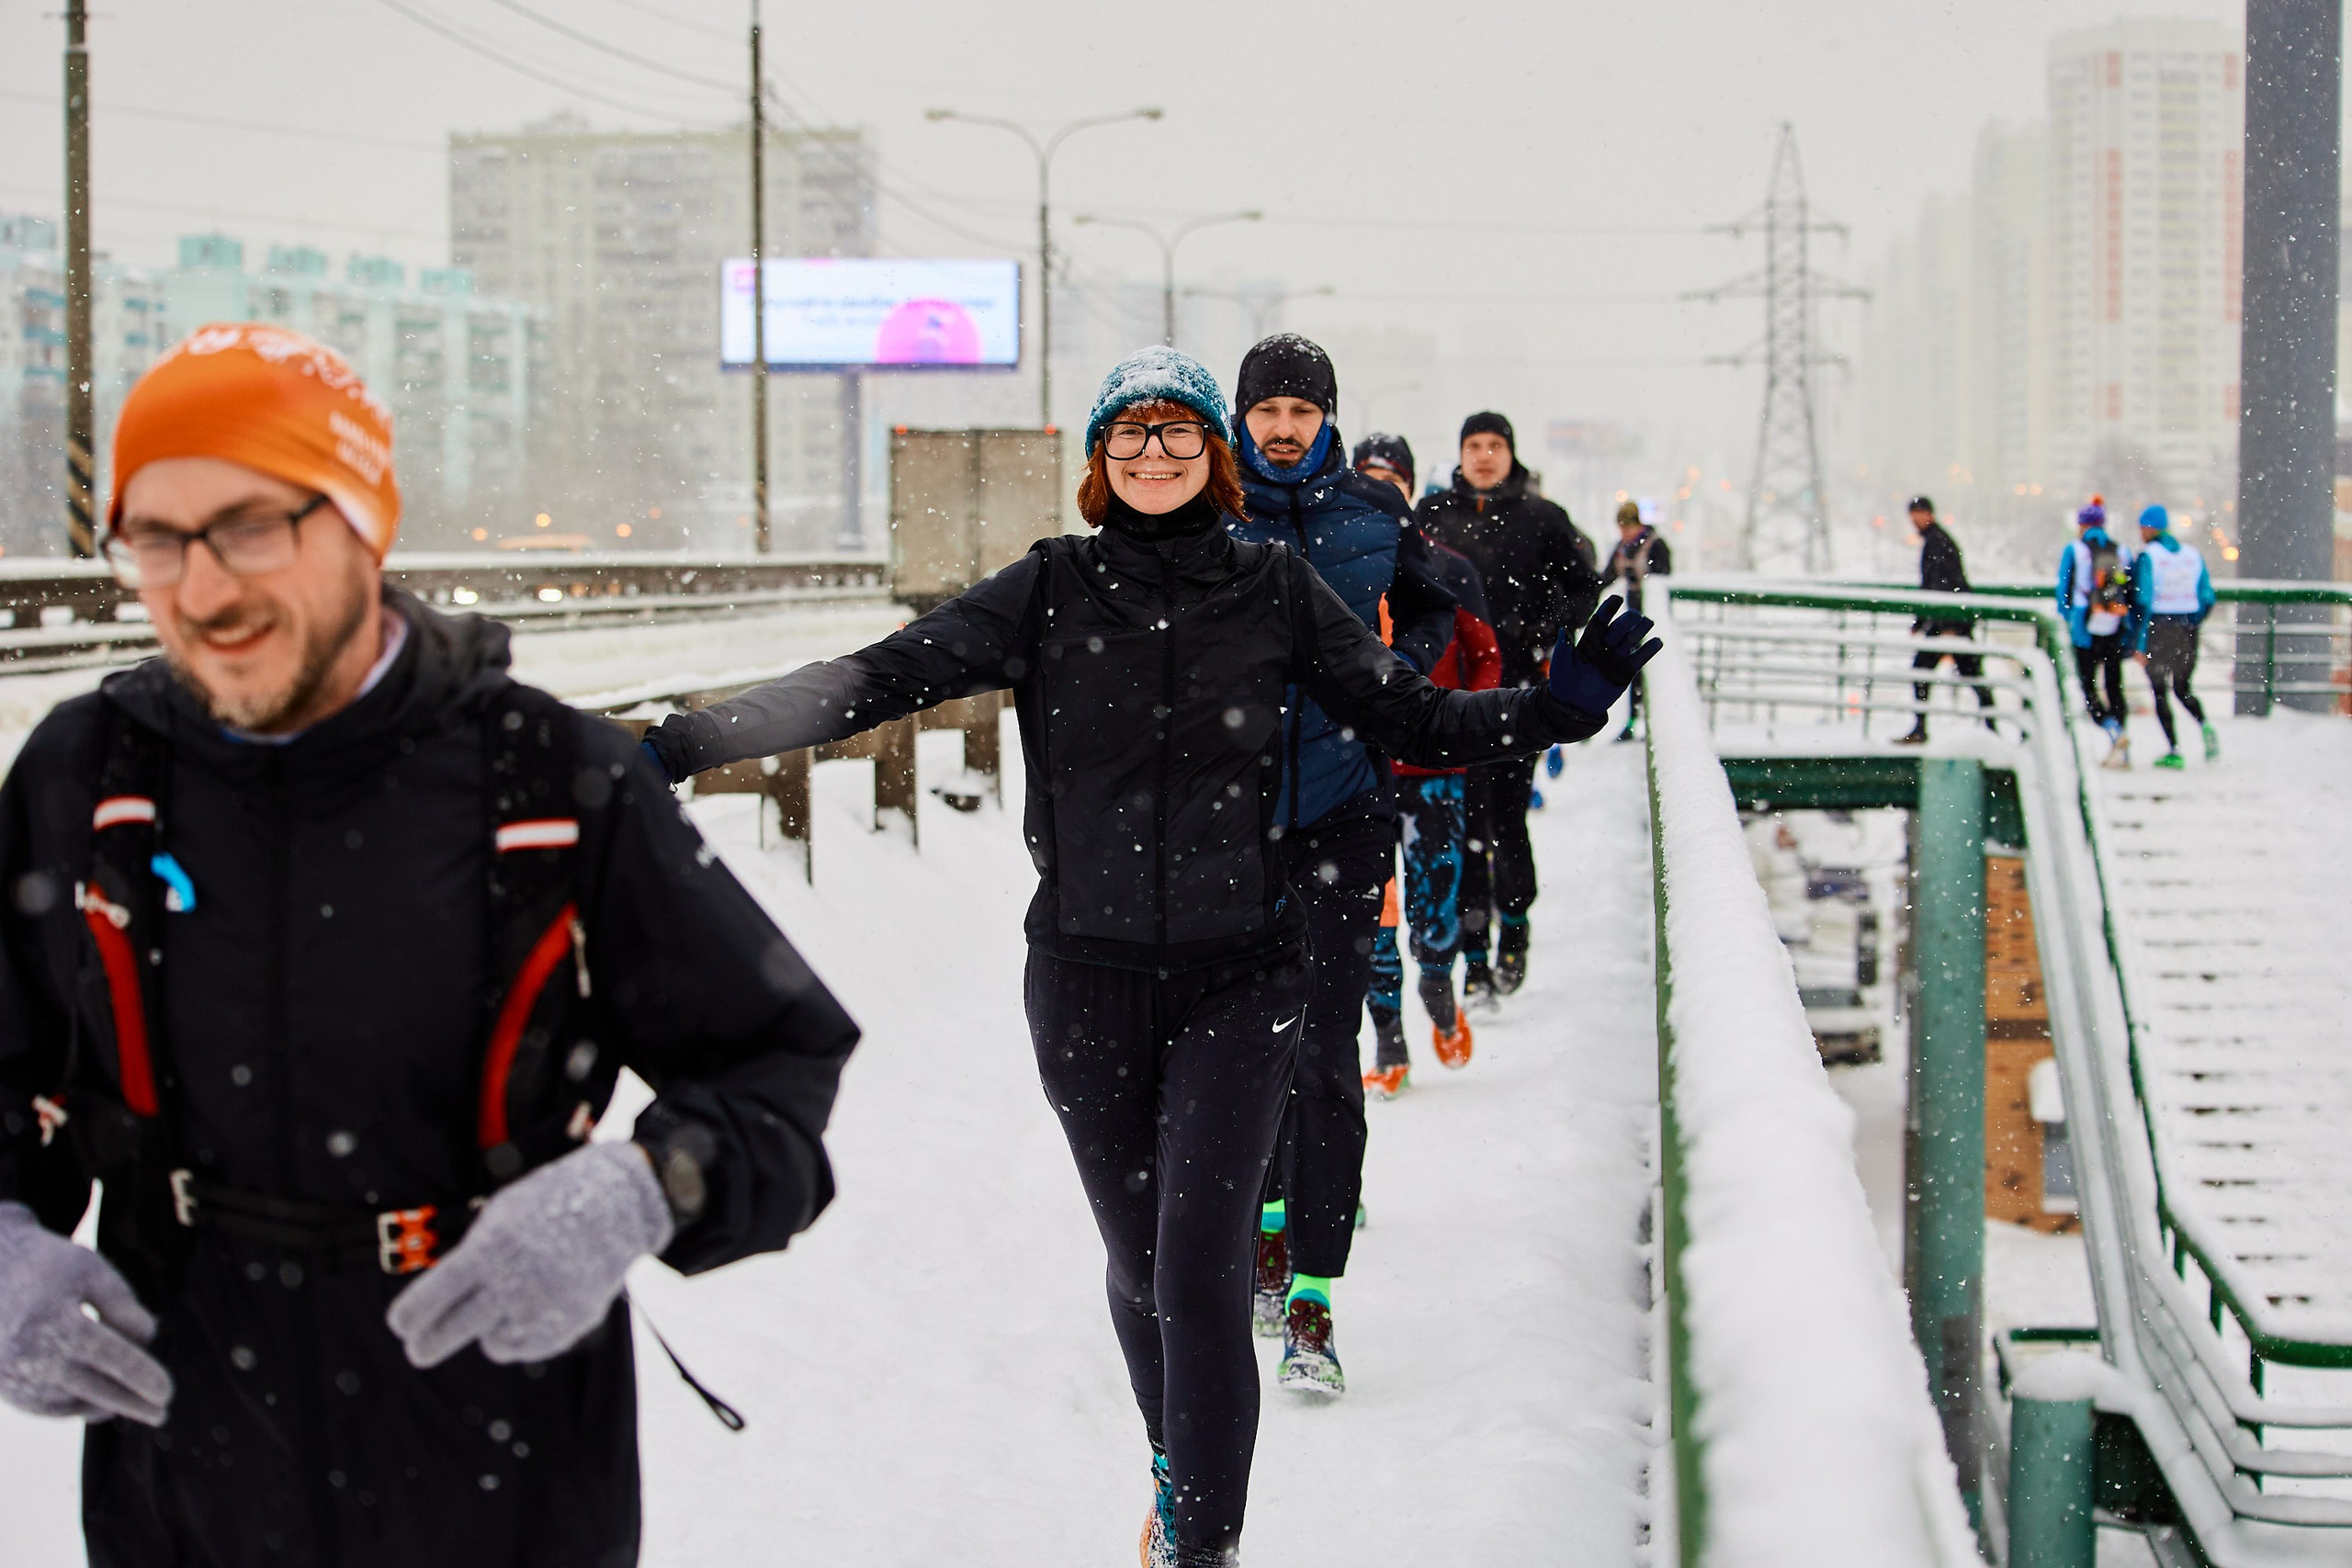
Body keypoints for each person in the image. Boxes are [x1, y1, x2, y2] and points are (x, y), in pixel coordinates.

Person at [641, 347, 1656, 1568]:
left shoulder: (1275, 588)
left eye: (1180, 434)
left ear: (1213, 455)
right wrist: (689, 741)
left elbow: (1412, 714)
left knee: (1201, 1269)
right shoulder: (1048, 587)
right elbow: (877, 678)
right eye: (1133, 435)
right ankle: (1178, 1469)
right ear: (1100, 459)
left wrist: (1559, 703)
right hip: (1083, 976)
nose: (1157, 453)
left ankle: (1199, 1542)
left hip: (1248, 969)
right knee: (1137, 1263)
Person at [0, 323, 858, 1566]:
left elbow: (777, 1071)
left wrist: (639, 1188)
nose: (200, 585)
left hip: (499, 1448)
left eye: (248, 525)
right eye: (156, 537)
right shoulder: (85, 774)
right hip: (187, 1460)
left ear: (361, 524)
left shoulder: (558, 780)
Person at [1222, 341, 1458, 1393]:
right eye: (1265, 408)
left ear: (1327, 419)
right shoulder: (1205, 511)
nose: (1281, 426)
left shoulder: (1372, 515)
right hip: (1223, 823)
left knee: (1323, 1053)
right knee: (1235, 1051)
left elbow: (1441, 602)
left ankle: (1312, 1296)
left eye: (1299, 410)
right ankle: (1261, 1227)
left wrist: (1391, 676)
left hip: (1341, 814)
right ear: (1239, 417)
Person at [1414, 412, 1601, 1008]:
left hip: (1519, 697)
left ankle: (1514, 930)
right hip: (1451, 697)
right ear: (1460, 453)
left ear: (1511, 453)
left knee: (1507, 818)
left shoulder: (1541, 517)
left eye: (1495, 446)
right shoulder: (1433, 516)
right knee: (1463, 823)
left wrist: (1550, 632)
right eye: (1474, 445)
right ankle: (1473, 953)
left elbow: (1582, 585)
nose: (1485, 456)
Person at [1350, 434, 1498, 1100]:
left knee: (1433, 892)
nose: (1381, 488)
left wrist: (1467, 721)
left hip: (1435, 761)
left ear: (1409, 488)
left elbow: (1484, 653)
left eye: (1392, 479)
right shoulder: (1333, 560)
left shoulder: (1447, 566)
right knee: (1371, 908)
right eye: (1368, 476)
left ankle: (1437, 979)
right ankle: (1388, 1036)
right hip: (1358, 764)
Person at [1892, 495, 1996, 744]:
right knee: (1971, 675)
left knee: (1925, 672)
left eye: (1917, 515)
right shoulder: (1939, 540)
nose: (1914, 521)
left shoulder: (1937, 543)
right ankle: (1992, 729)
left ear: (1928, 514)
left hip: (1948, 622)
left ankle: (1921, 729)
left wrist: (1944, 624)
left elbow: (1939, 586)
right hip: (1951, 620)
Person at [2127, 504, 2218, 770]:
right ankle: (2205, 725)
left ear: (2149, 528)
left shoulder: (2148, 556)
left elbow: (2142, 600)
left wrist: (2139, 642)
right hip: (2187, 628)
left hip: (2158, 628)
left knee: (2159, 690)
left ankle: (2174, 750)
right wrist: (2192, 621)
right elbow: (2207, 597)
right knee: (2182, 687)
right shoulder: (2192, 554)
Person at [2056, 497, 2134, 767]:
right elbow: (2130, 592)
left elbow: (2063, 591)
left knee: (2086, 687)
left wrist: (2066, 619)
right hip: (2113, 625)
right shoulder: (2121, 551)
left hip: (2085, 627)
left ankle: (2111, 728)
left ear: (2082, 525)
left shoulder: (2075, 550)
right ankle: (2122, 746)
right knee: (2114, 685)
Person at [1601, 500, 1673, 741]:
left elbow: (1662, 579)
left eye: (1626, 527)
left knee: (1653, 669)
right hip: (1632, 615)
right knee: (1632, 667)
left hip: (1654, 617)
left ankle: (1650, 724)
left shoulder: (1656, 545)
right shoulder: (1623, 547)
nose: (1623, 532)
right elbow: (1607, 576)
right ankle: (1632, 719)